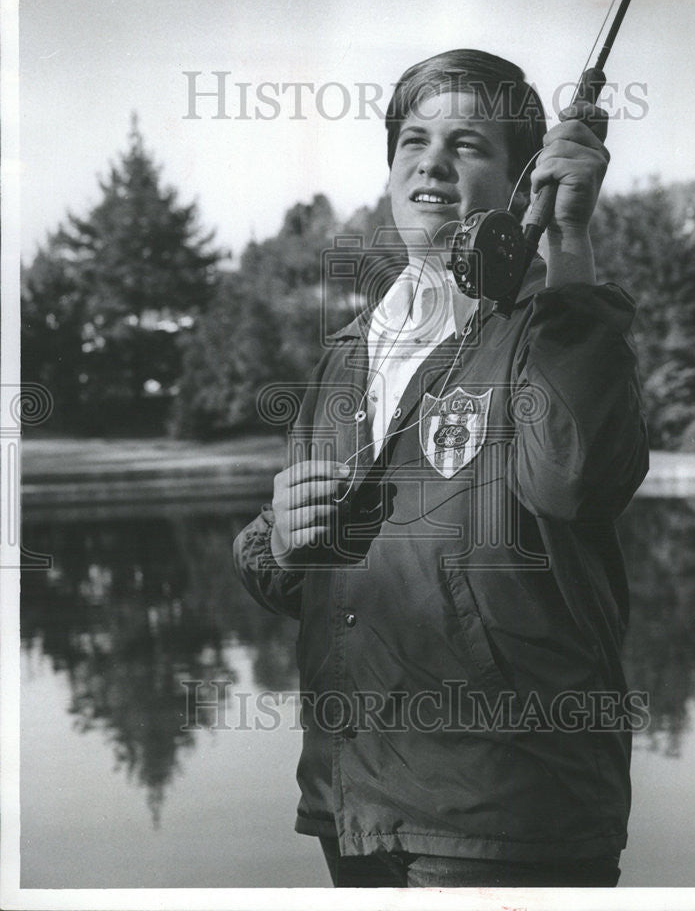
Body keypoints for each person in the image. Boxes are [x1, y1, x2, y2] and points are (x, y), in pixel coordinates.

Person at [233, 48, 649, 888]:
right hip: (352, 810)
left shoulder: (553, 323)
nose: (429, 162)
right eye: (412, 140)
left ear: (523, 178)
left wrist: (567, 247)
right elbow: (293, 574)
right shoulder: (350, 351)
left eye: (467, 144)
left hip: (508, 817)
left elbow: (574, 483)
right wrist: (278, 541)